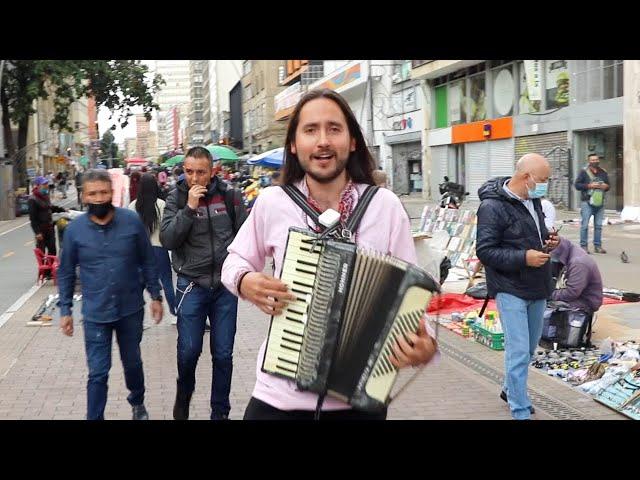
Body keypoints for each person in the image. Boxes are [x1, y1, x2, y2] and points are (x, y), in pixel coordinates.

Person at [221, 88, 439, 420]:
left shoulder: (385, 206)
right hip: (279, 400)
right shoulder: (272, 202)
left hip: (360, 401)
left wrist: (426, 346)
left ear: (352, 141)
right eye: (310, 130)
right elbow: (234, 261)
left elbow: (414, 296)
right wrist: (246, 281)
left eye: (334, 129)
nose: (323, 140)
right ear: (294, 145)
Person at [57, 169, 164, 420]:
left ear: (112, 194)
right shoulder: (74, 231)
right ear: (83, 196)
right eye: (93, 193)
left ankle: (137, 402)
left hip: (130, 309)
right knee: (98, 372)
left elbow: (148, 261)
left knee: (133, 363)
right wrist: (65, 311)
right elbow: (66, 273)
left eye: (104, 192)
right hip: (96, 313)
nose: (98, 198)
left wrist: (156, 296)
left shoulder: (132, 221)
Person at [160, 146, 248, 421]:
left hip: (224, 288)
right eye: (189, 172)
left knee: (223, 354)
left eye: (201, 172)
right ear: (183, 171)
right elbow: (168, 241)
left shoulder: (230, 196)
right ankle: (184, 394)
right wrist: (189, 208)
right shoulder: (175, 198)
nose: (195, 178)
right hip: (191, 285)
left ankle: (219, 412)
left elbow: (245, 237)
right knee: (189, 351)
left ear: (212, 171)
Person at [476, 153, 560, 420]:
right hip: (509, 286)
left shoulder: (533, 200)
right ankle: (520, 408)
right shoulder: (492, 207)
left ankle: (509, 388)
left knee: (530, 347)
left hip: (537, 283)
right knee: (518, 348)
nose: (546, 185)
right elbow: (485, 251)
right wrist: (524, 257)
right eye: (543, 179)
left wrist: (547, 241)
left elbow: (533, 233)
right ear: (526, 177)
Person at [129, 173, 177, 321]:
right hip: (159, 249)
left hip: (139, 251)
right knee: (167, 282)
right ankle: (175, 313)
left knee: (138, 285)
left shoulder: (133, 206)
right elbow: (167, 227)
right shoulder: (161, 204)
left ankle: (137, 317)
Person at [550, 236, 603, 314]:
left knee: (547, 308)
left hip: (585, 302)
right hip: (576, 295)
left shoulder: (578, 263)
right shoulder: (565, 249)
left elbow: (571, 293)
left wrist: (548, 295)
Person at [574, 154, 610, 254]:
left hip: (600, 202)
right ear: (589, 161)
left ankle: (597, 246)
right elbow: (577, 185)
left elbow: (608, 186)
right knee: (585, 225)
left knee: (598, 226)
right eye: (593, 160)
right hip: (587, 202)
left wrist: (605, 186)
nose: (595, 161)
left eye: (596, 159)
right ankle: (583, 246)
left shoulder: (603, 172)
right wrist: (589, 185)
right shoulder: (584, 172)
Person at [28, 176, 67, 259]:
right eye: (44, 184)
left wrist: (62, 209)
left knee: (52, 251)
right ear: (38, 185)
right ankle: (43, 271)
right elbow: (32, 218)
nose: (46, 185)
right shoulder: (33, 199)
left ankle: (49, 271)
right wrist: (37, 232)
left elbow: (50, 207)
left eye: (46, 183)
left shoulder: (45, 195)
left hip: (49, 228)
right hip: (41, 230)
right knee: (41, 254)